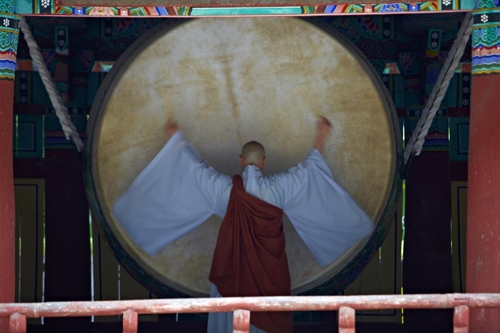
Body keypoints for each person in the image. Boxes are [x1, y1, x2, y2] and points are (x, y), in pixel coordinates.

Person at [113, 116, 374, 333]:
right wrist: (321, 134)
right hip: (269, 277)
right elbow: (309, 171)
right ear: (264, 161)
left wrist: (177, 138)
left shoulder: (225, 191)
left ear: (240, 160)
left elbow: (195, 170)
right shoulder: (279, 189)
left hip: (233, 275)